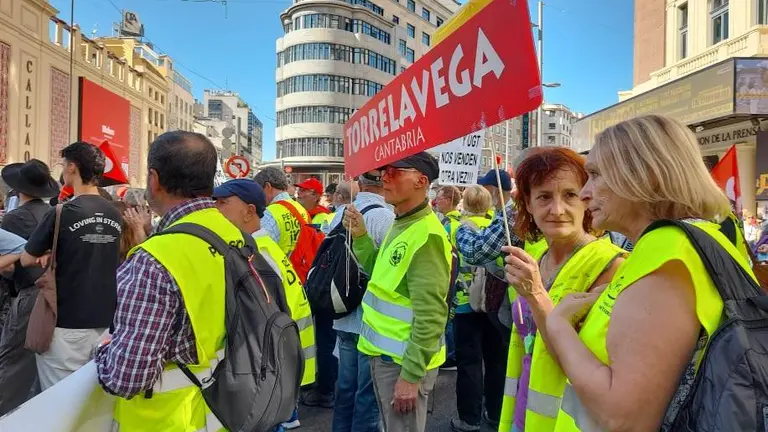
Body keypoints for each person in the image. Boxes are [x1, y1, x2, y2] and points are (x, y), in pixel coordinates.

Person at [510, 115, 754, 431]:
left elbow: (623, 418)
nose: (585, 193)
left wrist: (557, 323)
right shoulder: (672, 244)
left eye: (595, 175)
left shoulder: (668, 252)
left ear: (645, 175)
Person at [95, 131, 284, 431]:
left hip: (167, 420)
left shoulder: (153, 259)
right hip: (226, 412)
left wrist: (103, 348)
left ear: (154, 180)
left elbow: (126, 378)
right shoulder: (236, 235)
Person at [497, 147, 625, 432]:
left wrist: (536, 295)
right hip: (525, 413)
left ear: (586, 197)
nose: (557, 210)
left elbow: (582, 367)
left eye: (569, 194)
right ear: (527, 204)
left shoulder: (610, 265)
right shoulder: (537, 257)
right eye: (543, 196)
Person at [343, 152, 453, 432]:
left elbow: (432, 315)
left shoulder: (425, 235)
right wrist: (360, 236)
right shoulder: (402, 222)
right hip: (386, 358)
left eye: (394, 171)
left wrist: (411, 376)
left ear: (421, 181)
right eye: (383, 171)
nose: (384, 177)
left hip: (403, 364)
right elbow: (379, 272)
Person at [212, 178, 315, 430]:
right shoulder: (262, 246)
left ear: (249, 211)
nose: (216, 208)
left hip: (276, 365)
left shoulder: (255, 254)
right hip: (286, 361)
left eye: (223, 202)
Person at [23, 142, 121, 390]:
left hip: (66, 324)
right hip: (105, 322)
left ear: (72, 167)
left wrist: (47, 252)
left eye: (64, 166)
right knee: (93, 401)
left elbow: (26, 258)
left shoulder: (61, 212)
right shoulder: (115, 213)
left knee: (61, 403)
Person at [328, 171, 394, 432]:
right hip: (371, 319)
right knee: (368, 396)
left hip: (343, 312)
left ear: (361, 183)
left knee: (345, 390)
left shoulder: (340, 213)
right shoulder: (386, 217)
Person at [0, 159, 58, 413]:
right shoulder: (55, 213)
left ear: (18, 189)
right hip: (56, 295)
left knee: (12, 361)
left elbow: (9, 267)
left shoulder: (14, 218)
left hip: (27, 296)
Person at [254, 167, 310, 256]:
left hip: (279, 268)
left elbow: (257, 252)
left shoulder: (269, 214)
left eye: (258, 191)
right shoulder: (301, 209)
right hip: (302, 267)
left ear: (268, 187)